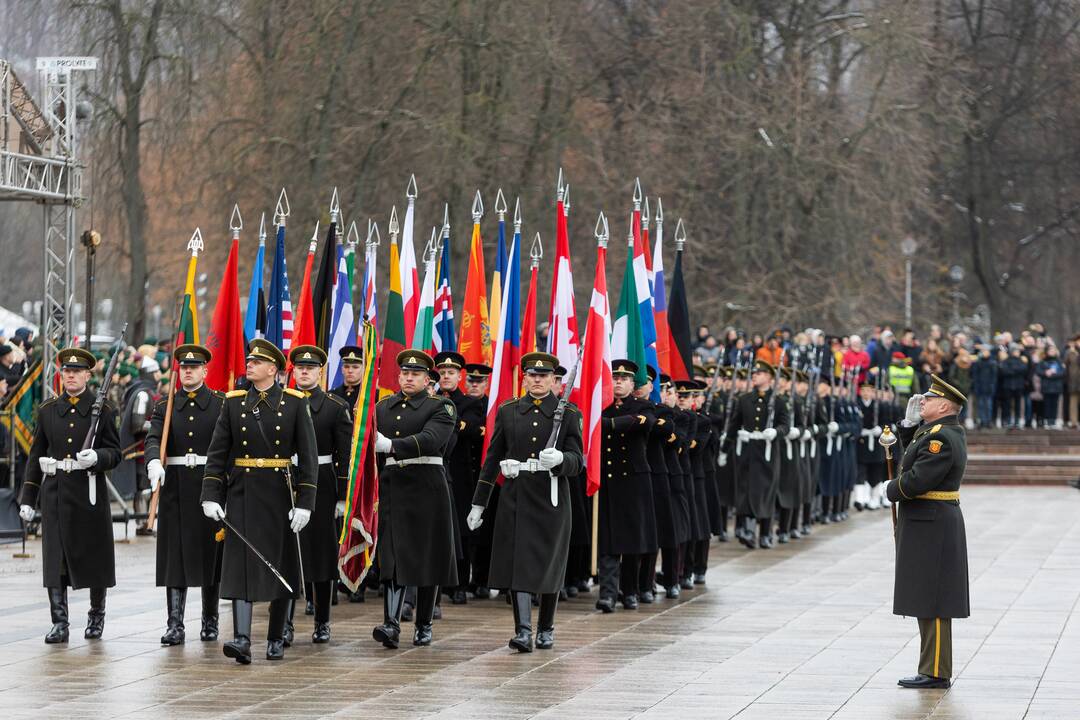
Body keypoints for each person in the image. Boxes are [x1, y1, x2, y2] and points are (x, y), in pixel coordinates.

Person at [200, 339, 319, 664]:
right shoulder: (234, 403)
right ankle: (241, 638)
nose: (249, 365)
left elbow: (308, 458)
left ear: (273, 369)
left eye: (257, 362)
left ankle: (276, 637)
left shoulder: (295, 403)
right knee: (239, 566)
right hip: (242, 493)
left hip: (279, 494)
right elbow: (217, 453)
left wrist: (305, 502)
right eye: (249, 361)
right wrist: (211, 495)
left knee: (279, 566)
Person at [467, 351, 584, 651]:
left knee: (548, 563)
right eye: (532, 375)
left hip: (551, 496)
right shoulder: (509, 411)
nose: (537, 380)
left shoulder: (568, 413)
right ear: (524, 377)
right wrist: (479, 502)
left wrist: (560, 459)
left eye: (543, 376)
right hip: (516, 495)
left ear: (553, 380)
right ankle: (522, 630)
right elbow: (492, 459)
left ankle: (546, 627)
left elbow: (577, 461)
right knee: (518, 563)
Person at [18, 347, 122, 644]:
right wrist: (28, 499)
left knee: (95, 556)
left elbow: (115, 454)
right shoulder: (48, 410)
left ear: (88, 375)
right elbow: (36, 455)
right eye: (66, 371)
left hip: (88, 492)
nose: (71, 376)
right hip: (57, 493)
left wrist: (98, 458)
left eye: (77, 372)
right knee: (55, 559)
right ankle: (60, 622)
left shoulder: (103, 410)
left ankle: (96, 615)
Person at [886, 376, 970, 689]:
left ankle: (936, 671)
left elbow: (918, 478)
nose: (923, 401)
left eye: (930, 399)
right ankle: (930, 667)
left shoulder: (943, 438)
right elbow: (914, 456)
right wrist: (908, 428)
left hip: (932, 522)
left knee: (934, 598)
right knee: (926, 595)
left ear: (946, 406)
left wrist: (892, 489)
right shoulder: (936, 431)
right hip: (927, 521)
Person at [371, 350, 458, 649]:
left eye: (416, 374)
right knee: (392, 557)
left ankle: (424, 624)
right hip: (393, 486)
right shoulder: (383, 407)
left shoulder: (441, 406)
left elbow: (433, 439)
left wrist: (391, 444)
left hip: (427, 488)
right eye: (405, 373)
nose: (409, 378)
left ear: (427, 378)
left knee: (427, 557)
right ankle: (391, 624)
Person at [144, 344, 225, 645]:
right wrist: (153, 460)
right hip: (175, 488)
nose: (188, 371)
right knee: (174, 558)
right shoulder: (165, 406)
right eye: (183, 367)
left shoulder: (219, 404)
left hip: (208, 486)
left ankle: (210, 620)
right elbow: (154, 438)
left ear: (205, 370)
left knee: (209, 556)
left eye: (194, 366)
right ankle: (175, 623)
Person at [287, 345, 352, 643]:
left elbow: (344, 454)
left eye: (310, 368)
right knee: (288, 552)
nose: (304, 372)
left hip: (323, 483)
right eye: (299, 367)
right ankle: (285, 622)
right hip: (288, 480)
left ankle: (322, 621)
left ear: (320, 372)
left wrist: (341, 496)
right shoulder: (282, 403)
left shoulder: (334, 407)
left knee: (321, 553)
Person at [595, 360, 657, 611]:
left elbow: (642, 422)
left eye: (624, 379)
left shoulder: (644, 407)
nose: (619, 382)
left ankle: (630, 590)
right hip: (609, 481)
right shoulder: (601, 407)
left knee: (633, 539)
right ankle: (608, 593)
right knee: (608, 540)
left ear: (633, 384)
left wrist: (607, 424)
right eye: (615, 378)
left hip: (633, 481)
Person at [435, 351, 485, 604]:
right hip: (434, 472)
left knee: (461, 530)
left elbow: (473, 430)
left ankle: (459, 584)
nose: (446, 377)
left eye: (451, 373)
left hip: (459, 473)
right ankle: (440, 581)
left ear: (459, 377)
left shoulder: (469, 403)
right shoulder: (429, 399)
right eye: (442, 373)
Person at [729, 359, 789, 548]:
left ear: (770, 377)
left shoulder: (778, 401)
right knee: (746, 491)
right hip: (748, 451)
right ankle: (748, 529)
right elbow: (734, 425)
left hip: (768, 453)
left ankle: (765, 533)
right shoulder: (745, 399)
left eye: (759, 373)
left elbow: (785, 425)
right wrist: (725, 448)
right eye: (753, 374)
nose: (754, 376)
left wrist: (776, 432)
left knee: (766, 492)